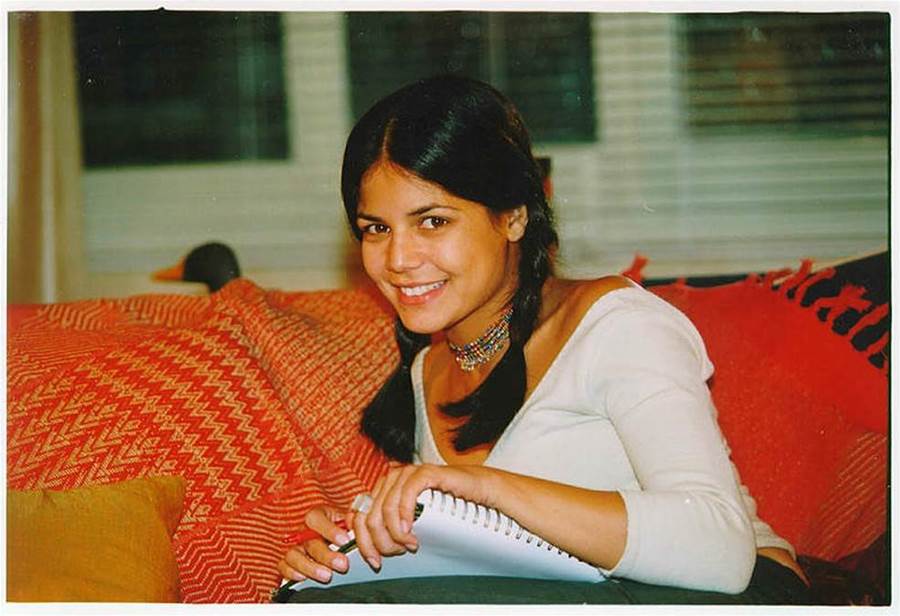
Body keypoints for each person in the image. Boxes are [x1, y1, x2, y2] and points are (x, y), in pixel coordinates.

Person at [276, 75, 809, 603]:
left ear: (513, 216)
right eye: (376, 228)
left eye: (433, 222)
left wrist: (487, 490)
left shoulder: (618, 325)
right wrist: (358, 554)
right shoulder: (427, 371)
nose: (397, 259)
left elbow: (721, 549)